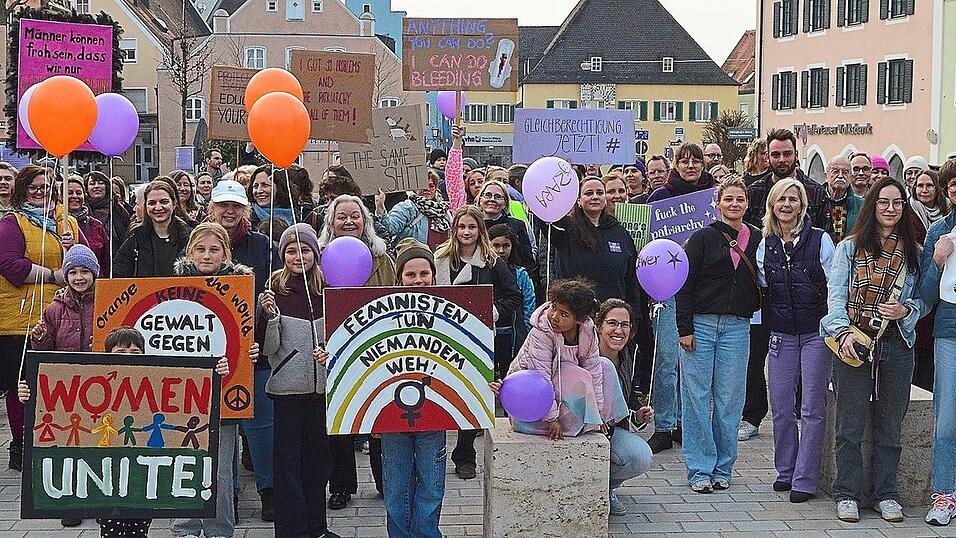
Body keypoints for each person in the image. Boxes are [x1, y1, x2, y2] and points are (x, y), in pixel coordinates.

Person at [822, 177, 924, 524]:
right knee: (849, 424)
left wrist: (906, 310)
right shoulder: (849, 248)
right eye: (883, 203)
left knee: (890, 425)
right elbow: (835, 298)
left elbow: (923, 301)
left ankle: (886, 494)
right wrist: (842, 332)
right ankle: (847, 493)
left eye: (897, 203)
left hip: (896, 343)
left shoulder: (914, 252)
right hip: (854, 340)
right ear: (872, 207)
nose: (891, 209)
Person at [20, 326, 174, 537]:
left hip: (138, 472)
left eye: (135, 352)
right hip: (105, 472)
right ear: (107, 355)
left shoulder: (153, 381)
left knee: (139, 525)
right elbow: (58, 403)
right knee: (111, 526)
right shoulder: (96, 381)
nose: (128, 357)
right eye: (120, 352)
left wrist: (218, 369)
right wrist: (29, 395)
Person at [739, 128, 827, 443]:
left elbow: (823, 237)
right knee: (756, 357)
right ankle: (752, 415)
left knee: (806, 361)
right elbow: (747, 239)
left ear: (795, 155)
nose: (780, 159)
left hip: (805, 295)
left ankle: (804, 413)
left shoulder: (816, 192)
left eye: (786, 153)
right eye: (774, 154)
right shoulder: (755, 190)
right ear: (767, 156)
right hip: (765, 292)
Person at [677, 176, 760, 493]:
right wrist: (684, 328)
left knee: (729, 400)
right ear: (717, 203)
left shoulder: (756, 238)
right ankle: (699, 469)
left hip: (737, 327)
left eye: (740, 199)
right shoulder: (701, 239)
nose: (735, 204)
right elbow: (684, 285)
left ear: (747, 203)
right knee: (697, 399)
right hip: (701, 325)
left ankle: (723, 468)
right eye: (729, 199)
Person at [362, 237, 449, 538]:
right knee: (396, 485)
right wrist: (368, 413)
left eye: (424, 273)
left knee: (431, 483)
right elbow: (367, 363)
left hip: (435, 416)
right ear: (399, 277)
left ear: (434, 275)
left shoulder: (451, 313)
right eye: (410, 274)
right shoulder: (382, 315)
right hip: (391, 417)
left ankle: (427, 534)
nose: (418, 279)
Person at [259, 223, 341, 538]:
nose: (298, 256)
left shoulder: (329, 287)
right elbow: (268, 349)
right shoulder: (274, 289)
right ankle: (291, 530)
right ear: (282, 255)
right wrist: (271, 318)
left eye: (304, 249)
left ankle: (317, 527)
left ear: (315, 253)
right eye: (291, 250)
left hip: (321, 391)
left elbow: (342, 338)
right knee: (287, 464)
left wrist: (329, 354)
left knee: (318, 463)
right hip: (286, 390)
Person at [171, 222, 251, 538]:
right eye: (200, 249)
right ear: (189, 252)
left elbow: (244, 339)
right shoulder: (169, 286)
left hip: (223, 392)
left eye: (214, 249)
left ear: (225, 253)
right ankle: (185, 527)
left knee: (220, 471)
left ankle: (219, 530)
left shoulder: (240, 288)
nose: (207, 255)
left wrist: (249, 351)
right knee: (182, 462)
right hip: (182, 394)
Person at [0, 164, 83, 470]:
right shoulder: (13, 223)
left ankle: (56, 441)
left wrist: (71, 248)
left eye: (45, 187)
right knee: (21, 384)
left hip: (63, 316)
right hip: (20, 319)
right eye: (34, 187)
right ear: (22, 191)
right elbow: (12, 266)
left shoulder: (66, 222)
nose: (40, 193)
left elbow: (85, 263)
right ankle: (21, 446)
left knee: (58, 383)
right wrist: (55, 275)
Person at [757, 179, 835, 503]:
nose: (787, 205)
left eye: (793, 199)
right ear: (772, 206)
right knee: (781, 405)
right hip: (782, 334)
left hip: (816, 333)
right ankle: (785, 470)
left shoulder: (821, 240)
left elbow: (835, 284)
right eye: (781, 200)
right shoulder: (766, 244)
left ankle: (806, 477)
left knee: (812, 407)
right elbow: (763, 286)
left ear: (803, 205)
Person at [206, 179, 279, 521]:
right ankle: (227, 492)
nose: (229, 211)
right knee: (218, 427)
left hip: (255, 349)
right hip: (212, 353)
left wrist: (268, 304)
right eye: (223, 205)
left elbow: (275, 285)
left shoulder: (263, 245)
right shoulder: (201, 243)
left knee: (260, 424)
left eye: (235, 206)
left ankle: (268, 489)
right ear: (213, 209)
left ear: (245, 210)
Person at [318, 194, 395, 507]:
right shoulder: (320, 259)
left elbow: (395, 298)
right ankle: (341, 486)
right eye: (341, 216)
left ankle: (385, 481)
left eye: (355, 216)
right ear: (331, 223)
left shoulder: (382, 259)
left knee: (379, 415)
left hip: (377, 349)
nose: (348, 222)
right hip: (335, 349)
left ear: (366, 222)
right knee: (339, 418)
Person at [435, 206, 521, 480]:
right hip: (442, 337)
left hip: (478, 340)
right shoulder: (441, 260)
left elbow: (513, 296)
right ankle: (434, 451)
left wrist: (490, 312)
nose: (466, 232)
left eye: (472, 227)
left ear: (480, 230)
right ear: (454, 229)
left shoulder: (493, 262)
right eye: (462, 227)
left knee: (471, 395)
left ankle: (464, 454)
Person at [644, 144, 716, 454]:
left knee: (694, 362)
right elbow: (648, 239)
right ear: (676, 164)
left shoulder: (714, 196)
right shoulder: (661, 197)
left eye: (695, 160)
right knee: (666, 361)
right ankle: (663, 424)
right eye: (684, 160)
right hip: (669, 287)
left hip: (703, 289)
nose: (690, 166)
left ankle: (686, 424)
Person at [27, 243, 99, 528]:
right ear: (66, 275)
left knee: (98, 443)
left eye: (85, 271)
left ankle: (96, 498)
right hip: (67, 387)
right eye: (73, 272)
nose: (79, 277)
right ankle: (72, 500)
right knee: (71, 445)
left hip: (99, 384)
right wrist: (40, 337)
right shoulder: (54, 309)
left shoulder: (106, 300)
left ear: (94, 273)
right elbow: (45, 350)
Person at [594, 298, 655, 516]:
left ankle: (607, 489)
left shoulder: (631, 354)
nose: (619, 330)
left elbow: (626, 405)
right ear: (599, 326)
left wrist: (639, 415)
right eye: (612, 323)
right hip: (579, 430)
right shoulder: (585, 353)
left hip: (611, 431)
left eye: (625, 324)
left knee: (640, 456)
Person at [920, 162, 956, 525]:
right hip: (950, 330)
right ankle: (945, 494)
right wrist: (937, 259)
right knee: (946, 420)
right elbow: (927, 295)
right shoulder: (939, 231)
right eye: (954, 185)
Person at [113, 180, 191, 278]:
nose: (158, 207)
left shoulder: (189, 237)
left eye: (164, 202)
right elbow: (119, 272)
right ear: (146, 206)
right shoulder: (135, 237)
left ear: (174, 204)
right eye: (152, 203)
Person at [488, 224, 535, 377]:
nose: (501, 251)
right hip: (490, 335)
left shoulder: (520, 274)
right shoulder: (483, 272)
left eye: (506, 246)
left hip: (514, 335)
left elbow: (529, 306)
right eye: (496, 245)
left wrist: (528, 336)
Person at [374, 170, 451, 251]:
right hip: (412, 260)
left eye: (431, 186)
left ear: (436, 189)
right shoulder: (407, 208)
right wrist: (380, 206)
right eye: (423, 185)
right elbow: (388, 229)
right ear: (415, 188)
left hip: (438, 260)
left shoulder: (443, 211)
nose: (427, 189)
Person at [66, 176, 109, 277]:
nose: (75, 196)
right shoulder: (53, 224)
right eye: (70, 193)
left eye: (79, 193)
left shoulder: (96, 226)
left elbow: (105, 262)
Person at [86, 170, 131, 252]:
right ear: (86, 188)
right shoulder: (84, 211)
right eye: (92, 184)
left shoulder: (118, 210)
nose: (97, 186)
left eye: (100, 183)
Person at [822, 156, 863, 244]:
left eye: (845, 172)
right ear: (826, 176)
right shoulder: (815, 201)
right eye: (835, 171)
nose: (840, 176)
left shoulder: (861, 205)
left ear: (851, 177)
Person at [248, 165, 295, 230]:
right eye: (255, 186)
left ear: (279, 187)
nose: (259, 191)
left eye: (265, 185)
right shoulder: (247, 221)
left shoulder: (297, 216)